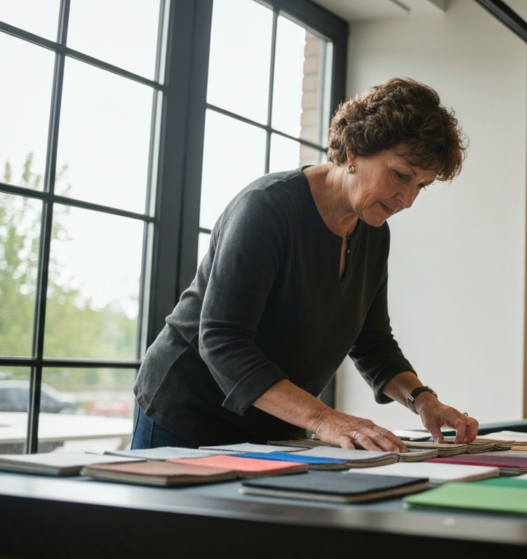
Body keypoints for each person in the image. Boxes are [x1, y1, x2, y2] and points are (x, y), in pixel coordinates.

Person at [132, 78, 477, 452]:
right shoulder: (266, 209)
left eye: (421, 186)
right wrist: (324, 419)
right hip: (186, 416)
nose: (407, 200)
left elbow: (373, 343)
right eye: (400, 175)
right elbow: (221, 340)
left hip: (275, 424)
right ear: (352, 151)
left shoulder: (374, 234)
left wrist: (424, 401)